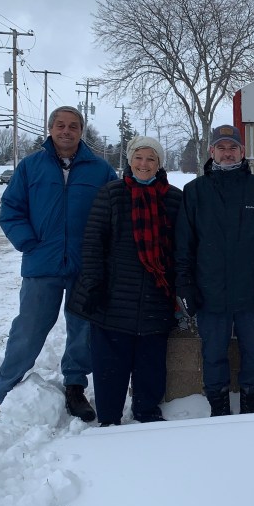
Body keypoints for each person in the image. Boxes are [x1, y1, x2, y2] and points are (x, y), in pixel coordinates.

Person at [0, 106, 118, 421]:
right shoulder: (31, 167)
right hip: (42, 266)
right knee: (28, 330)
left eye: (73, 126)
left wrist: (103, 253)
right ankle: (3, 393)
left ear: (81, 131)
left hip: (86, 267)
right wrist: (30, 243)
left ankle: (74, 385)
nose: (66, 131)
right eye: (60, 125)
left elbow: (115, 214)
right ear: (50, 129)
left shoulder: (100, 170)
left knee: (83, 330)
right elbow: (11, 209)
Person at [66, 137, 183, 426]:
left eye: (151, 159)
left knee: (150, 364)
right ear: (130, 161)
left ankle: (146, 412)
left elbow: (183, 248)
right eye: (139, 158)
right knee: (110, 365)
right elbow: (93, 243)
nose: (144, 164)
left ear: (160, 163)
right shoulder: (112, 194)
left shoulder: (174, 198)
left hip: (157, 295)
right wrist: (93, 284)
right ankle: (109, 418)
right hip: (113, 298)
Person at [175, 124, 254, 416]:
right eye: (221, 147)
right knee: (213, 356)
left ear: (242, 152)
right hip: (209, 294)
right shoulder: (194, 191)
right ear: (211, 152)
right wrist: (184, 285)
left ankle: (251, 411)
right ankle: (219, 412)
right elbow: (183, 245)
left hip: (250, 294)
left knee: (252, 356)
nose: (227, 153)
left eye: (232, 147)